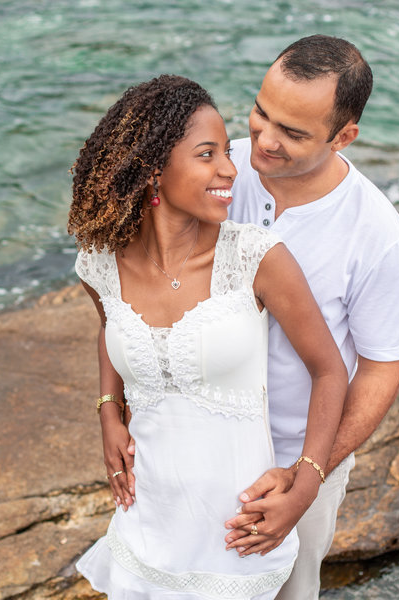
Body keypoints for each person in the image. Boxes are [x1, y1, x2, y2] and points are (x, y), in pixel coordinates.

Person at [68, 74, 348, 598]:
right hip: (146, 521)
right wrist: (109, 409)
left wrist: (305, 483)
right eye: (207, 154)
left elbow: (329, 370)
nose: (229, 169)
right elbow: (111, 325)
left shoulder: (257, 257)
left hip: (237, 535)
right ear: (153, 169)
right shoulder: (99, 264)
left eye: (226, 151)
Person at [220, 35, 399, 599]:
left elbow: (381, 370)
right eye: (261, 112)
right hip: (196, 436)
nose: (265, 139)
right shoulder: (214, 170)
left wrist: (307, 477)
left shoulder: (378, 235)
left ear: (344, 135)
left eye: (294, 132)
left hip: (297, 454)